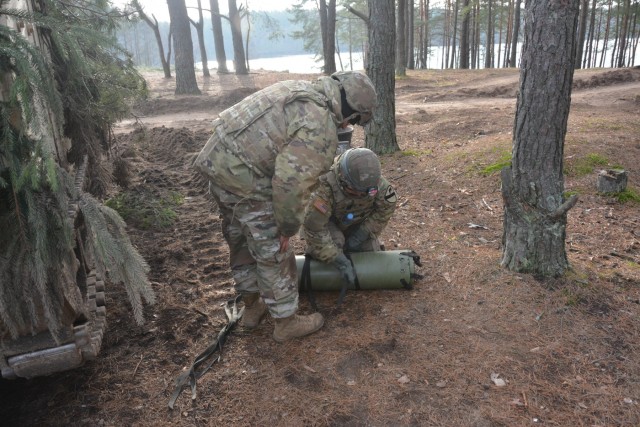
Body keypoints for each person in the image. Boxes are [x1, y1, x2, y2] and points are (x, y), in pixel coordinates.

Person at [193, 71, 377, 342]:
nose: (350, 126)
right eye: (354, 121)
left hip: (218, 168)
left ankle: (252, 308)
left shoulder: (298, 89)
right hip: (246, 180)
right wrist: (286, 228)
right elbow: (291, 186)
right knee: (274, 252)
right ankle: (286, 322)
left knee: (241, 240)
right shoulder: (319, 126)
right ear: (351, 113)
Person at [301, 148, 398, 289]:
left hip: (356, 222)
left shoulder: (377, 184)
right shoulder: (323, 187)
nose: (361, 195)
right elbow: (314, 228)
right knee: (337, 243)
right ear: (343, 180)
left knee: (370, 250)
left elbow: (385, 209)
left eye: (365, 192)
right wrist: (336, 258)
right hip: (328, 224)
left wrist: (361, 235)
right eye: (356, 191)